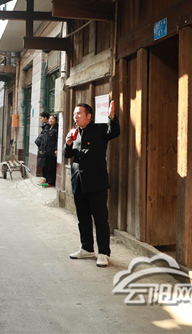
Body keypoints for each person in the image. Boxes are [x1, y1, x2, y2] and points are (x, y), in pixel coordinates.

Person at [65, 102, 119, 268]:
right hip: (78, 182)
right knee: (83, 218)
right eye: (74, 114)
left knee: (100, 219)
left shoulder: (99, 129)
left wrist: (112, 117)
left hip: (96, 183)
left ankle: (104, 253)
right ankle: (87, 248)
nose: (75, 116)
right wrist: (68, 143)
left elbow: (114, 132)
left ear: (89, 116)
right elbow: (68, 155)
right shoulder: (74, 132)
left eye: (79, 113)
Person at [42, 115, 59, 187]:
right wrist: (42, 148)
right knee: (46, 166)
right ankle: (47, 180)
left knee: (51, 167)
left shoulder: (56, 129)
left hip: (52, 152)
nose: (51, 120)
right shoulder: (48, 128)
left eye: (53, 119)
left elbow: (58, 140)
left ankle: (51, 182)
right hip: (46, 151)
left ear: (56, 120)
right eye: (50, 119)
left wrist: (56, 149)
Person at [35, 111, 50, 186]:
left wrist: (41, 149)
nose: (40, 120)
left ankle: (45, 179)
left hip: (45, 150)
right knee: (43, 165)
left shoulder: (47, 127)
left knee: (45, 165)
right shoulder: (44, 127)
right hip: (43, 149)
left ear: (45, 118)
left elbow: (44, 139)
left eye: (41, 118)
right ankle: (43, 178)